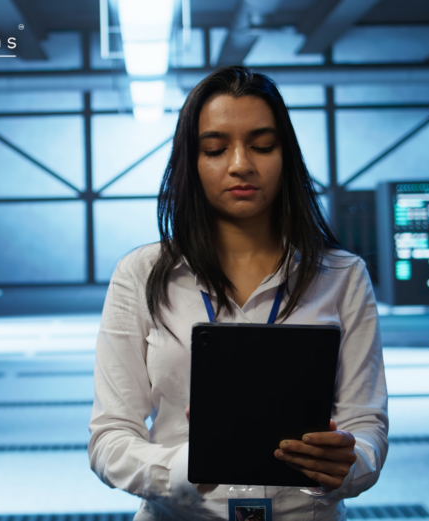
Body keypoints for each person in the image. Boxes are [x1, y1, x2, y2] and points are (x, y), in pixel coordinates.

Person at [87, 66, 388, 520]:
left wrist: (349, 462)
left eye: (262, 145)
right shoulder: (141, 274)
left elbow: (366, 424)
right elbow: (109, 436)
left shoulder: (342, 275)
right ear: (192, 161)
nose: (241, 163)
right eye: (215, 148)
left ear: (285, 155)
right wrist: (185, 467)